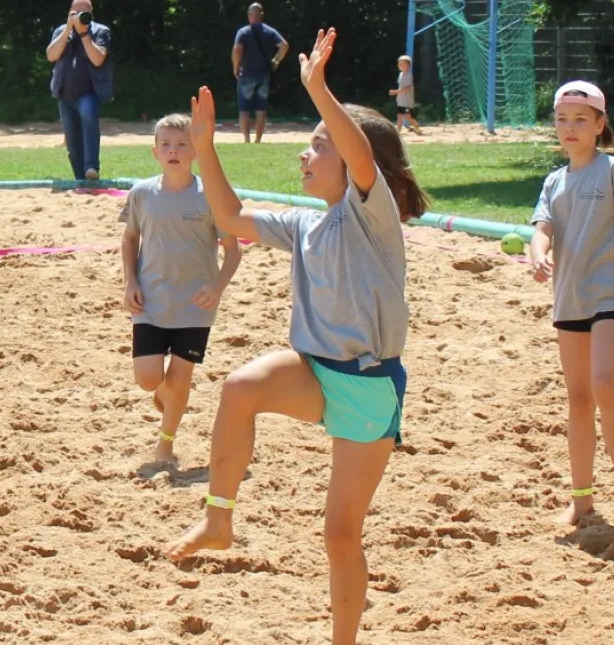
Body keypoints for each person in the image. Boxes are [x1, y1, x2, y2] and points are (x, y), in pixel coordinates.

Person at [165, 29, 432, 645]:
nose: (304, 156)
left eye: (317, 147)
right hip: (316, 372)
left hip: (367, 387)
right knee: (240, 387)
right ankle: (218, 521)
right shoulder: (306, 225)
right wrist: (205, 148)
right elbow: (231, 218)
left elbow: (359, 154)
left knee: (339, 533)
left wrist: (318, 89)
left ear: (353, 157)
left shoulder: (373, 212)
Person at [527, 81, 614, 526]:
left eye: (580, 119)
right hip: (569, 298)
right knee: (579, 398)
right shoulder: (554, 180)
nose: (569, 128)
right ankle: (582, 498)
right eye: (562, 119)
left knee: (604, 384)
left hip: (611, 294)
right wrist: (537, 252)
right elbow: (542, 228)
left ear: (600, 125)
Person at [121, 113, 244, 465]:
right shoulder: (142, 193)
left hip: (195, 303)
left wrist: (218, 285)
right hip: (150, 299)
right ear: (154, 152)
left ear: (195, 151)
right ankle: (170, 394)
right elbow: (130, 237)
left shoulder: (210, 195)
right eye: (166, 144)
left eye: (181, 144)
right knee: (148, 380)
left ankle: (166, 446)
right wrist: (129, 281)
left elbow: (233, 249)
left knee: (180, 378)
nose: (173, 150)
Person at [46, 0, 112, 181]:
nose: (80, 15)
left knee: (89, 117)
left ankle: (91, 167)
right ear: (70, 12)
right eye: (76, 11)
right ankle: (80, 179)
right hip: (64, 93)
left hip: (90, 91)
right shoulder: (61, 31)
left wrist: (84, 34)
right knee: (72, 141)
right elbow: (51, 55)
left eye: (85, 11)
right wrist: (68, 29)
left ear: (91, 12)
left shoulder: (101, 31)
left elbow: (97, 59)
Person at [231, 3, 287, 144]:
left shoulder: (243, 32)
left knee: (244, 109)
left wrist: (236, 66)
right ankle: (258, 140)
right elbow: (284, 45)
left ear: (250, 15)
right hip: (264, 74)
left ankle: (246, 139)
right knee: (260, 108)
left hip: (247, 73)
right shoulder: (270, 31)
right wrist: (276, 61)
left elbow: (237, 49)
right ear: (262, 14)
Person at [389, 55, 421, 135]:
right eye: (398, 63)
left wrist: (396, 92)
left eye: (401, 63)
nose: (398, 65)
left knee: (408, 116)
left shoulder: (409, 74)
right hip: (401, 100)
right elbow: (401, 86)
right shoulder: (401, 74)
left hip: (407, 101)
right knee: (400, 116)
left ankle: (417, 129)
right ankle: (398, 132)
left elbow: (407, 87)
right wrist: (397, 93)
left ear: (407, 65)